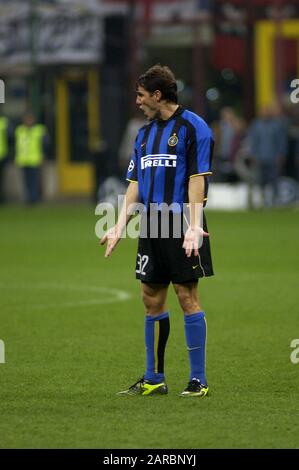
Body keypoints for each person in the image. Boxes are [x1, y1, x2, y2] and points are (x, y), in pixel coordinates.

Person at [100, 64, 214, 397]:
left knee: (187, 297)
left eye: (140, 95)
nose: (137, 101)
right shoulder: (143, 133)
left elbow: (197, 179)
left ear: (157, 95)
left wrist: (194, 224)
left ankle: (198, 380)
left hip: (181, 223)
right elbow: (134, 183)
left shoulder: (194, 128)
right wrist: (120, 225)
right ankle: (153, 378)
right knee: (150, 298)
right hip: (151, 224)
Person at [15, 113, 49, 204]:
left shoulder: (39, 130)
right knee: (26, 181)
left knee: (34, 180)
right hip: (23, 160)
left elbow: (45, 144)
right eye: (27, 120)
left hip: (35, 159)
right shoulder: (20, 130)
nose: (28, 122)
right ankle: (28, 198)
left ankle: (34, 198)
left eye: (30, 120)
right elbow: (16, 145)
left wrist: (43, 156)